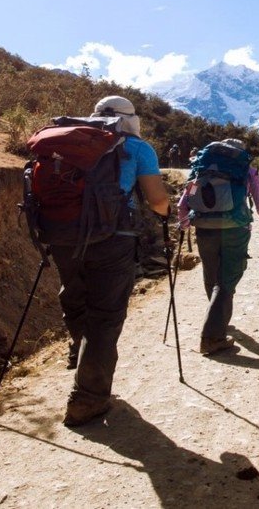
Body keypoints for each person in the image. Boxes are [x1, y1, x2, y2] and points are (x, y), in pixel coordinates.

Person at [54, 95, 170, 427]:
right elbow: (158, 199)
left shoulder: (69, 140)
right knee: (105, 316)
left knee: (74, 296)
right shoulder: (136, 147)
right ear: (130, 119)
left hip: (62, 234)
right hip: (111, 238)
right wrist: (165, 214)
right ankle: (88, 399)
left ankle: (82, 353)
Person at [177, 139, 259, 355]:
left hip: (203, 228)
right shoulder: (247, 169)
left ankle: (218, 320)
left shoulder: (201, 169)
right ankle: (211, 337)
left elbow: (184, 203)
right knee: (227, 279)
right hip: (235, 229)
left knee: (212, 275)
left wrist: (184, 224)